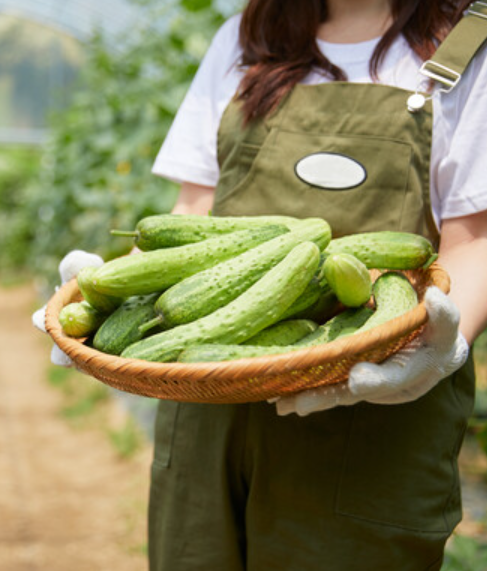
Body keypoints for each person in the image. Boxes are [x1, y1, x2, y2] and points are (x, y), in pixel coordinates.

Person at [143, 0, 487, 569]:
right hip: (206, 401)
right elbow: (193, 212)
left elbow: (474, 239)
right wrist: (107, 292)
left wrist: (437, 348)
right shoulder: (242, 41)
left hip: (376, 416)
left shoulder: (469, 46)